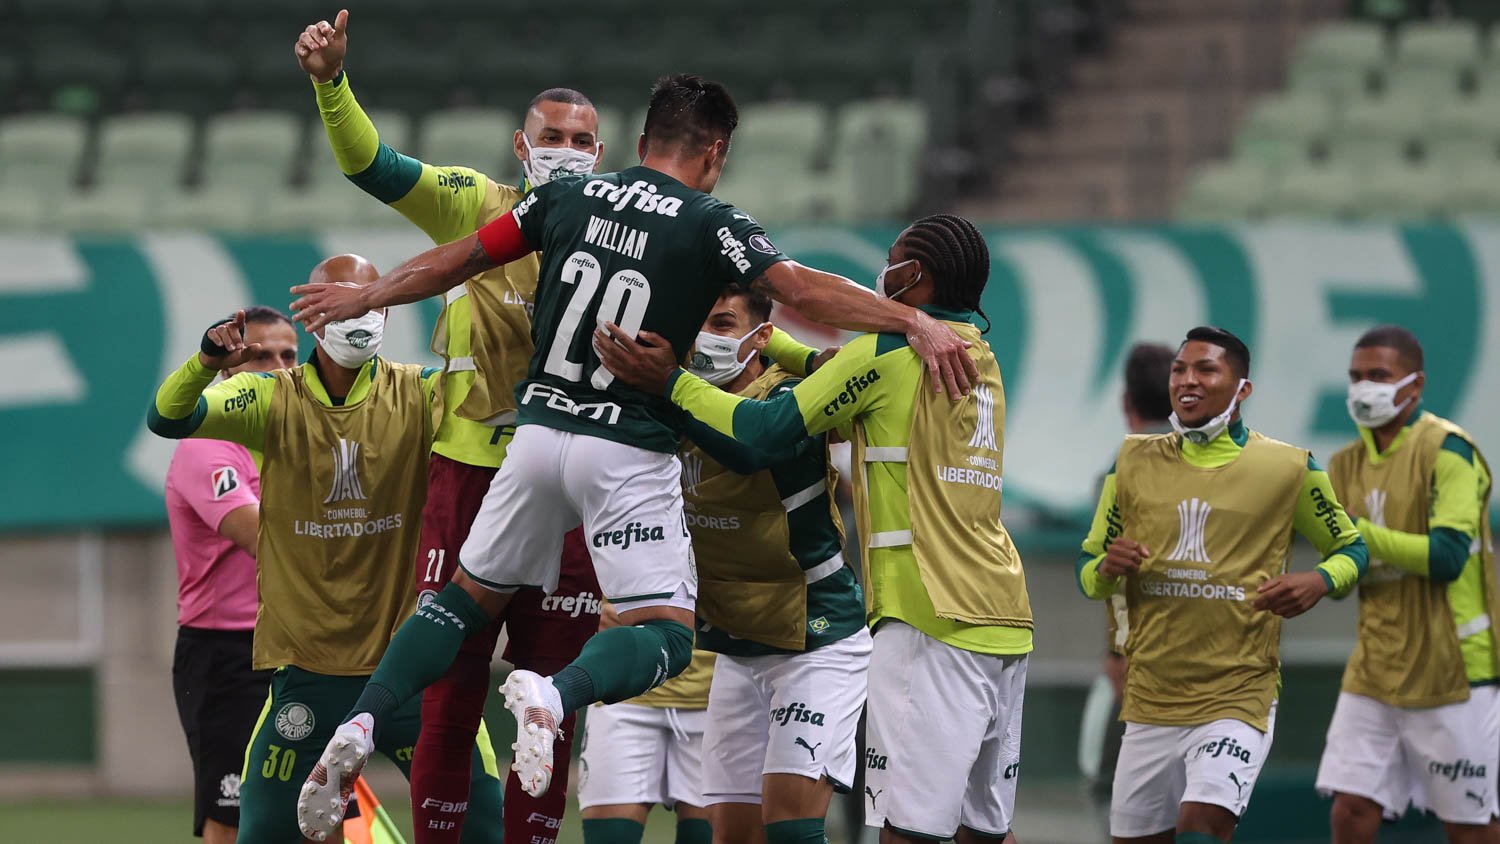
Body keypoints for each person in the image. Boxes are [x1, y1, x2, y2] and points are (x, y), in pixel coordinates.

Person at [288, 72, 976, 838]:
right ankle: (552, 696)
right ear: (714, 155)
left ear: (641, 141)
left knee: (462, 600)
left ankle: (360, 721)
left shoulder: (565, 197)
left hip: (536, 435)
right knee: (669, 635)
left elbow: (463, 257)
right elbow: (801, 292)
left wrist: (370, 295)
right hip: (624, 447)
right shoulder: (712, 221)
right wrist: (908, 322)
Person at [596, 214, 1030, 844]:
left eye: (892, 261)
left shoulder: (892, 352)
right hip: (1004, 613)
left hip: (929, 614)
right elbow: (836, 380)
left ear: (914, 276)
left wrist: (669, 381)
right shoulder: (975, 356)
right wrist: (777, 347)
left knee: (906, 831)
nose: (881, 275)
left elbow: (763, 432)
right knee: (984, 832)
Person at [295, 11, 609, 842]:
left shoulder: (622, 231)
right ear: (521, 145)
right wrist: (332, 84)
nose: (567, 151)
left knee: (548, 701)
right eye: (552, 137)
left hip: (571, 485)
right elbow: (372, 165)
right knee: (451, 692)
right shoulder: (475, 205)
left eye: (581, 141)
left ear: (602, 152)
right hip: (469, 474)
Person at [146, 255, 504, 844]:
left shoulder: (423, 392)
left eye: (371, 300)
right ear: (312, 316)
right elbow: (167, 417)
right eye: (341, 300)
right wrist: (205, 362)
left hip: (412, 667)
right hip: (308, 673)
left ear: (388, 310)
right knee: (258, 829)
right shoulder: (267, 398)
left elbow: (505, 405)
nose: (359, 313)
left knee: (483, 827)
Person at [1075, 326, 1370, 844]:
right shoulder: (1132, 460)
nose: (1187, 381)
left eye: (1206, 370)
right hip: (1150, 700)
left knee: (1202, 829)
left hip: (1236, 696)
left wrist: (1320, 581)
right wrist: (1104, 569)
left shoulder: (1288, 467)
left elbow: (1353, 549)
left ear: (1242, 389)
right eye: (1179, 370)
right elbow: (1089, 573)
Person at [674, 284, 871, 844]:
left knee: (791, 826)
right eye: (697, 322)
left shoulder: (791, 397)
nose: (705, 338)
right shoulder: (672, 396)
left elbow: (751, 448)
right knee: (733, 836)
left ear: (760, 336)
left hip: (816, 638)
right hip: (737, 648)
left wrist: (667, 388)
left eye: (722, 324)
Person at [1315, 325, 1499, 844]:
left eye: (1378, 376)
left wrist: (1359, 535)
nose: (1363, 388)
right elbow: (1345, 577)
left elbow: (1447, 557)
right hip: (1375, 668)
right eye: (1356, 376)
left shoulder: (1450, 451)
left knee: (1468, 827)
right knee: (1351, 809)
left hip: (1453, 668)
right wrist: (1322, 576)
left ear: (1414, 385)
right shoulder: (1342, 465)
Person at [165, 307, 298, 844]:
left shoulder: (300, 439)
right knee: (233, 813)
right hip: (229, 653)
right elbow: (265, 540)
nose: (279, 368)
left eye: (289, 355)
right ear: (229, 369)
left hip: (301, 642)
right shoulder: (207, 445)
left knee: (322, 806)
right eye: (261, 356)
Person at [1079, 342, 1175, 797]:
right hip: (1218, 669)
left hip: (1141, 663)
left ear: (1125, 401)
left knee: (1122, 793)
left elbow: (1112, 572)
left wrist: (1117, 656)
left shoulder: (1119, 473)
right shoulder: (1214, 465)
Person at [578, 604, 716, 844]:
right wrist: (588, 608)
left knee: (706, 835)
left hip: (717, 690)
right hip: (625, 683)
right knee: (611, 837)